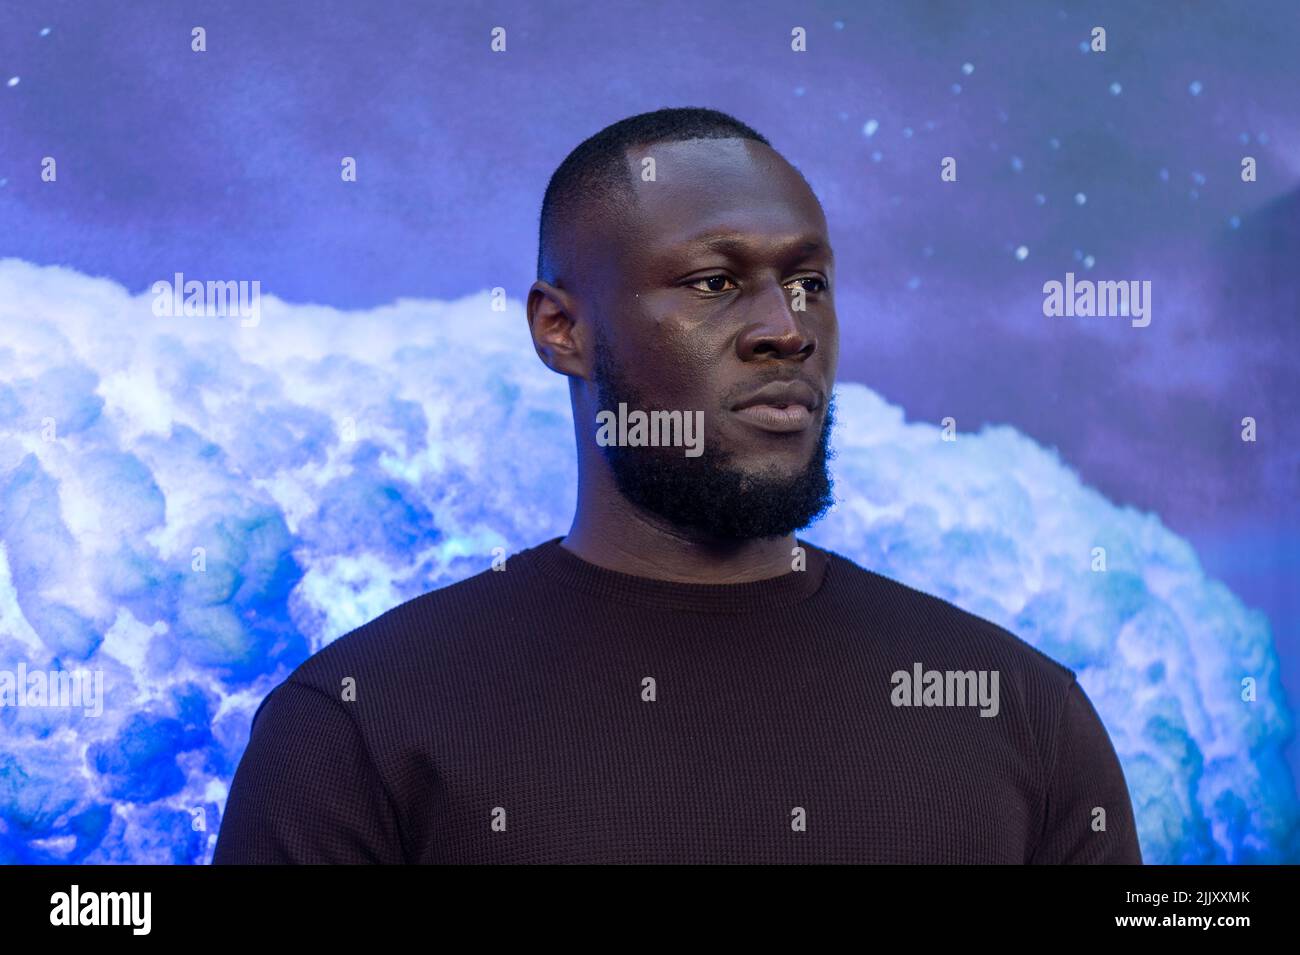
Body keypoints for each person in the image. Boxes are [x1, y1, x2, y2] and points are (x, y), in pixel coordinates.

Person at [213, 106, 1142, 864]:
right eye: (712, 282)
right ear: (559, 328)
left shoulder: (1018, 709)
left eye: (810, 282)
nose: (788, 328)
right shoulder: (357, 726)